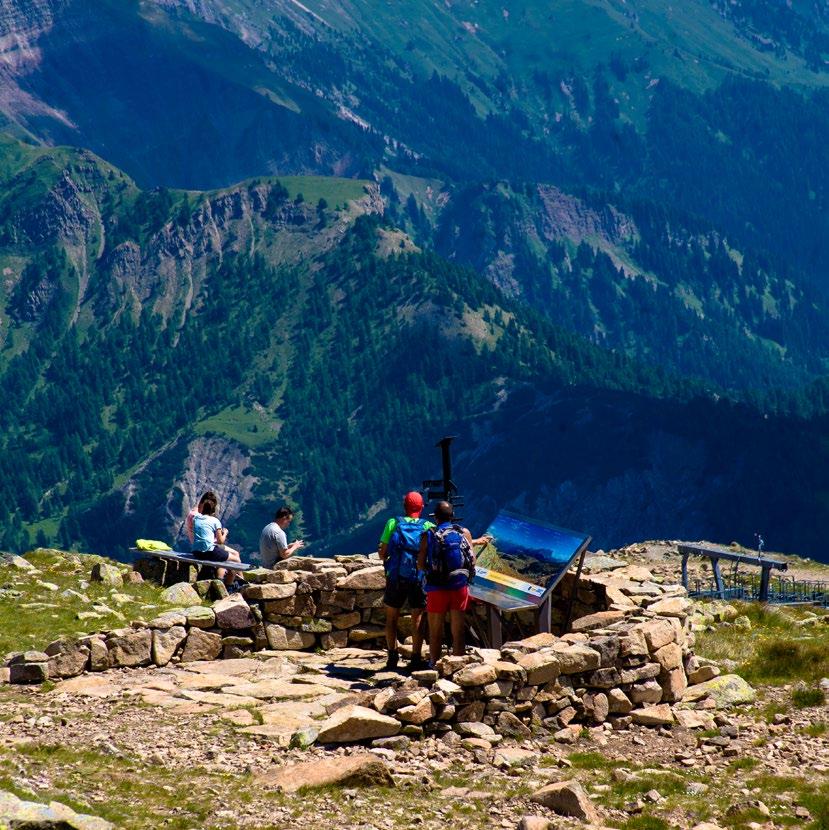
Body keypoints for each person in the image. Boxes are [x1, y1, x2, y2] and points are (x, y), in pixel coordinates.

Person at [417, 500, 491, 666]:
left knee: (435, 631)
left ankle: (434, 664)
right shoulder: (464, 533)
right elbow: (472, 561)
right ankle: (457, 666)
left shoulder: (428, 535)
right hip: (459, 586)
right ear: (453, 516)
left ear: (435, 517)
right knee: (458, 630)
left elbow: (420, 564)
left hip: (436, 588)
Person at [378, 491, 434, 671]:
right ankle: (416, 657)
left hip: (396, 576)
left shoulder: (393, 523)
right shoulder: (428, 526)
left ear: (404, 507)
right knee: (417, 617)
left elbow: (383, 553)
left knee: (391, 617)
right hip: (418, 577)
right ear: (422, 507)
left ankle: (392, 657)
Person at [191, 493, 244, 587]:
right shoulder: (215, 521)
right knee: (236, 560)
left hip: (196, 552)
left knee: (224, 558)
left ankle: (223, 580)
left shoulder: (196, 518)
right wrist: (225, 533)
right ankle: (229, 585)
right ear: (213, 510)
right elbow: (220, 541)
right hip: (209, 552)